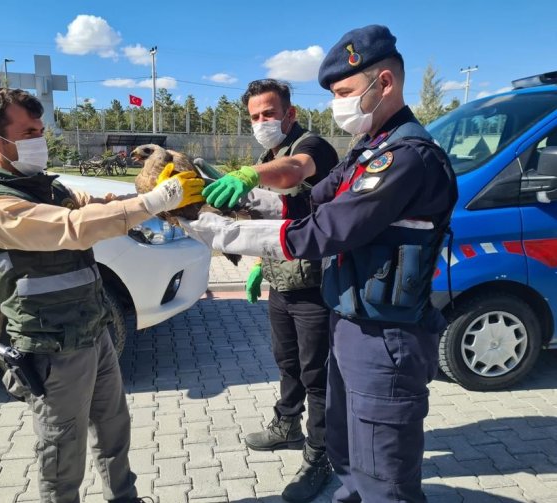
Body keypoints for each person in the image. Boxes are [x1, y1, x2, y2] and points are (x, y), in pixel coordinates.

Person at [179, 25, 458, 503]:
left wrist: (220, 233)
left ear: (385, 83)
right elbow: (309, 200)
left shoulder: (406, 158)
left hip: (387, 338)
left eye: (345, 92)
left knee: (384, 477)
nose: (337, 104)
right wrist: (236, 200)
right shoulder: (368, 150)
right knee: (349, 455)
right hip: (350, 325)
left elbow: (327, 229)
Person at [0, 88, 202, 503]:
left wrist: (151, 196)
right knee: (62, 448)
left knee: (114, 427)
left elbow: (101, 205)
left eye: (40, 130)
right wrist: (153, 201)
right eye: (28, 132)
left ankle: (124, 498)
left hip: (95, 332)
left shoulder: (48, 188)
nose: (39, 139)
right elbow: (74, 227)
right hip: (52, 347)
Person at [204, 79, 338, 502]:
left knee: (317, 373)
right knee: (286, 362)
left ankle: (321, 455)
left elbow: (294, 178)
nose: (262, 122)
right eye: (255, 117)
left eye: (269, 114)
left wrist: (248, 175)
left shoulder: (313, 147)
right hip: (282, 281)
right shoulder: (269, 153)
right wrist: (261, 265)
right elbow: (279, 220)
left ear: (289, 114)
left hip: (315, 283)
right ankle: (287, 425)